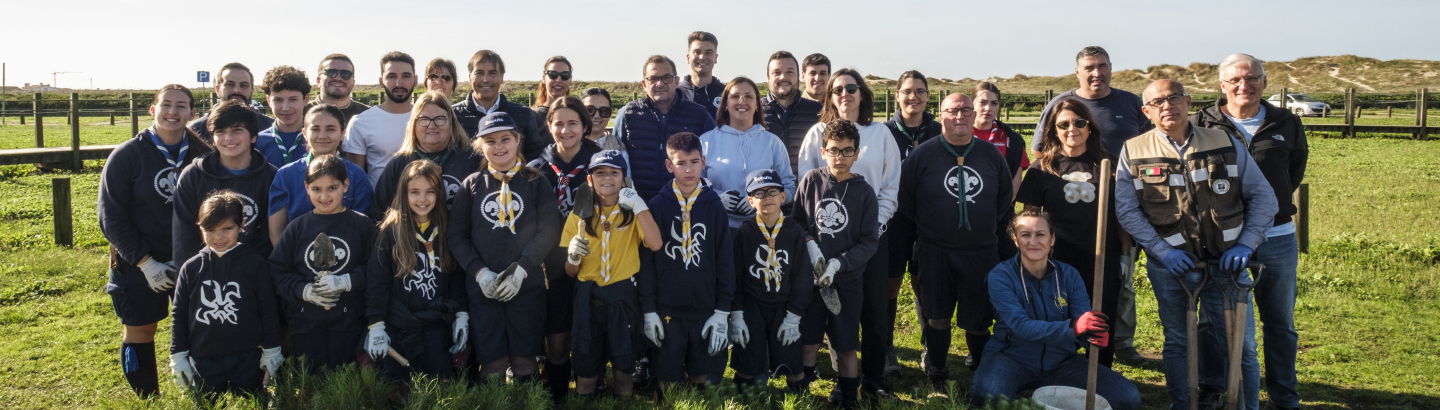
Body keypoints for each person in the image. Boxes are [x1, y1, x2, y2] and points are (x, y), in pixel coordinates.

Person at [1114, 79, 1277, 410]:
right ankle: (1181, 404)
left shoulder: (1224, 142)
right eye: (1157, 102)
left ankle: (1244, 406)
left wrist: (1246, 245)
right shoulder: (1133, 150)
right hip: (1171, 268)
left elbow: (1263, 196)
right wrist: (1162, 252)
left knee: (1241, 346)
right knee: (1177, 342)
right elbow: (1127, 210)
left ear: (1188, 103)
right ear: (1146, 112)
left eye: (1174, 98)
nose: (1167, 106)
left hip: (1226, 264)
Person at [1190, 53, 1308, 410]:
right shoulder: (1202, 123)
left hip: (1276, 238)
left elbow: (1294, 172)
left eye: (1253, 78)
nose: (1245, 86)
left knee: (1280, 321)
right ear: (1222, 85)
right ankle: (1213, 387)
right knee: (1214, 319)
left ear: (1265, 82)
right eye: (1235, 80)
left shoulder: (1286, 122)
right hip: (1222, 239)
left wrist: (1266, 209)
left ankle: (1283, 396)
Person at [1031, 46, 1152, 365]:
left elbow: (1151, 145)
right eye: (1089, 67)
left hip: (1107, 236)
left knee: (1109, 300)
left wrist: (1124, 251)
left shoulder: (1127, 110)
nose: (1096, 73)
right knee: (1060, 305)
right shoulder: (1046, 162)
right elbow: (1031, 204)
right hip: (1061, 243)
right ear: (1078, 72)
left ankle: (1108, 359)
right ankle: (1061, 363)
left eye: (1102, 66)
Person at [100, 84, 214, 398]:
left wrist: (194, 255)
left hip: (191, 260)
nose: (173, 112)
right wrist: (145, 262)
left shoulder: (203, 155)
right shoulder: (127, 155)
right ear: (153, 109)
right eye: (166, 104)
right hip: (138, 260)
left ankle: (203, 393)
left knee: (200, 327)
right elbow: (111, 216)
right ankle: (148, 399)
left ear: (192, 113)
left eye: (181, 106)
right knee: (141, 329)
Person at [897, 93, 1015, 394]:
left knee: (979, 320)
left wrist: (983, 224)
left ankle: (982, 371)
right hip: (935, 251)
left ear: (974, 114)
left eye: (966, 110)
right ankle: (937, 372)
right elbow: (906, 200)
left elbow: (1004, 197)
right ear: (941, 116)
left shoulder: (991, 155)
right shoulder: (922, 155)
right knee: (937, 317)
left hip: (980, 252)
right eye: (952, 111)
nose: (960, 116)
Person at [796, 68, 902, 399]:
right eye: (838, 89)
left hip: (871, 236)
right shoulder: (817, 133)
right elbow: (809, 187)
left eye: (851, 87)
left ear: (862, 93)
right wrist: (814, 243)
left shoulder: (880, 133)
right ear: (829, 96)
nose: (845, 93)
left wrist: (871, 226)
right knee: (830, 309)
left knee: (874, 310)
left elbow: (889, 186)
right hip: (826, 240)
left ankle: (872, 379)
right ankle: (837, 379)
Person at [968, 209, 1141, 410]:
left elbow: (1083, 320)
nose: (1033, 242)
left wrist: (1092, 336)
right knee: (987, 396)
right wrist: (1074, 328)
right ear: (1016, 240)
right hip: (1010, 358)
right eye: (1025, 235)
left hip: (1061, 362)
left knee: (1128, 398)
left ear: (1052, 239)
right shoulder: (1001, 276)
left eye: (1040, 234)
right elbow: (1021, 326)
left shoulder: (1070, 275)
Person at [448, 112, 560, 383]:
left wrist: (521, 270)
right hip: (483, 290)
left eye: (505, 139)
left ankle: (529, 401)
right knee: (492, 364)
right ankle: (493, 400)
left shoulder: (536, 181)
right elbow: (456, 236)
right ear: (480, 146)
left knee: (524, 361)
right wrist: (479, 273)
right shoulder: (471, 184)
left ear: (518, 140)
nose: (498, 147)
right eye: (490, 141)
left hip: (526, 286)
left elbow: (548, 231)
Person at [1015, 98, 1123, 366]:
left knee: (1101, 315)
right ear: (1054, 130)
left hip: (1101, 254)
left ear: (1090, 127)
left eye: (1079, 122)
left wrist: (1126, 255)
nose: (1071, 129)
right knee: (1059, 314)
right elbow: (1031, 218)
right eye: (1063, 124)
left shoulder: (1110, 166)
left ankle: (1099, 372)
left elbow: (1123, 214)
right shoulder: (1042, 169)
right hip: (1058, 256)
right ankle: (1060, 368)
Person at [561, 150, 663, 400]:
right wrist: (572, 257)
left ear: (623, 179)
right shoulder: (579, 214)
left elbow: (655, 244)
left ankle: (622, 403)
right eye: (600, 173)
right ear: (589, 180)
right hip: (588, 298)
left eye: (614, 173)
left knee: (623, 372)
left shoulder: (633, 212)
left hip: (622, 298)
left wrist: (639, 205)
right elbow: (570, 272)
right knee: (585, 373)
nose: (607, 177)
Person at [791, 119, 880, 409]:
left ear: (857, 153)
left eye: (847, 151)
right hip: (811, 280)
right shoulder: (811, 182)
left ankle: (849, 399)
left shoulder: (864, 192)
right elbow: (797, 222)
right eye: (833, 150)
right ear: (823, 151)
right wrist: (810, 246)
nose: (840, 157)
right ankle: (801, 396)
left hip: (847, 282)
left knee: (845, 345)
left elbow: (869, 241)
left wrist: (839, 264)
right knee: (808, 342)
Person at [637, 131, 735, 388]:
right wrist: (648, 309)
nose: (689, 169)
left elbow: (725, 260)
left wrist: (722, 309)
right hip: (667, 307)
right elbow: (647, 261)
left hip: (705, 306)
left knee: (701, 376)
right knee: (666, 376)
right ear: (669, 165)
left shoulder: (714, 206)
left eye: (694, 162)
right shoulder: (657, 206)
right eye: (681, 163)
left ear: (703, 162)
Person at [268, 154, 377, 373]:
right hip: (305, 322)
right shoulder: (297, 228)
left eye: (332, 188)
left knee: (346, 378)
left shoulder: (362, 226)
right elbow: (278, 271)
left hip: (350, 321)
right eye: (316, 189)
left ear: (345, 186)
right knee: (308, 378)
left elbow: (376, 270)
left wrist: (347, 281)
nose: (324, 196)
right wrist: (304, 290)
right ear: (306, 188)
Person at [168, 191, 283, 397]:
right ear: (200, 227)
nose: (218, 237)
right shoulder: (190, 268)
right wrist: (177, 354)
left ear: (242, 225)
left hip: (248, 356)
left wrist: (271, 349)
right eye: (210, 230)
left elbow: (268, 309)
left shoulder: (255, 264)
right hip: (203, 358)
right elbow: (179, 313)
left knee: (253, 402)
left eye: (227, 228)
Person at [528, 96, 604, 401]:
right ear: (549, 126)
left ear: (585, 126)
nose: (565, 130)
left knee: (592, 337)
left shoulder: (601, 163)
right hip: (552, 267)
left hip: (594, 262)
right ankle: (558, 396)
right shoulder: (536, 169)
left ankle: (594, 392)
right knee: (557, 341)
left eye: (573, 123)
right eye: (558, 123)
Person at [364, 160, 469, 380]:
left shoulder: (447, 229)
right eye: (415, 192)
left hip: (436, 324)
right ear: (404, 193)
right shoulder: (390, 232)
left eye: (430, 191)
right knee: (397, 387)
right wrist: (376, 325)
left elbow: (456, 277)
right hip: (398, 324)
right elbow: (377, 281)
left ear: (439, 193)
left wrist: (461, 314)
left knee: (440, 384)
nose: (422, 199)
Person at [728, 169, 812, 392]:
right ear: (750, 201)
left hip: (785, 305)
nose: (767, 198)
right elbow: (735, 277)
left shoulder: (794, 232)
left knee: (792, 359)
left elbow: (803, 277)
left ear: (783, 196)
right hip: (752, 304)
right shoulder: (745, 232)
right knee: (748, 357)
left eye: (772, 192)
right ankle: (745, 398)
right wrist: (737, 315)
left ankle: (799, 398)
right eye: (759, 193)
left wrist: (794, 316)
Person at [881, 70, 942, 377]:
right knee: (890, 285)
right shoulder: (885, 132)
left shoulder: (939, 131)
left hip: (930, 220)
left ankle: (929, 347)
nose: (913, 97)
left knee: (924, 286)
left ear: (927, 96)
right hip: (895, 219)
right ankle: (886, 347)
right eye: (907, 91)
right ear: (897, 96)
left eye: (919, 91)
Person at [173, 100, 278, 268]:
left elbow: (270, 237)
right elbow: (184, 237)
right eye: (220, 131)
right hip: (205, 273)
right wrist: (193, 275)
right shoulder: (193, 176)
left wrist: (255, 273)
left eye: (237, 130)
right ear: (213, 139)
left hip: (255, 273)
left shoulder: (272, 177)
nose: (229, 138)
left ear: (253, 136)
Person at [613, 55, 717, 200]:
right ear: (644, 84)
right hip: (637, 205)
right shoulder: (627, 114)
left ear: (676, 81)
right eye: (653, 79)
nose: (660, 83)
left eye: (666, 77)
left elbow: (712, 162)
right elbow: (615, 161)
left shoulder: (700, 115)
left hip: (686, 205)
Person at [267, 105, 374, 245]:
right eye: (315, 129)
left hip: (346, 253)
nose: (322, 136)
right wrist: (287, 257)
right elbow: (277, 232)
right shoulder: (285, 175)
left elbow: (363, 228)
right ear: (304, 133)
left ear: (343, 133)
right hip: (296, 255)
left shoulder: (356, 174)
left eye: (330, 129)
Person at [700, 77, 797, 229]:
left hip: (762, 230)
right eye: (735, 96)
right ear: (725, 104)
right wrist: (716, 199)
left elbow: (789, 189)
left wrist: (762, 198)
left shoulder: (772, 143)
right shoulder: (705, 141)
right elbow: (692, 185)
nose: (742, 101)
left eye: (748, 96)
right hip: (717, 229)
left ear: (757, 105)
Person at [367, 91, 478, 219]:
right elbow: (379, 215)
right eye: (424, 119)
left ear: (452, 122)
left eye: (440, 118)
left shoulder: (471, 158)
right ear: (413, 124)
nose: (432, 125)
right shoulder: (399, 165)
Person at [452, 50, 547, 161]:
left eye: (492, 73)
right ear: (469, 77)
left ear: (502, 78)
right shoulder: (453, 115)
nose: (486, 79)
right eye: (479, 73)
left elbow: (535, 156)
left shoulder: (524, 114)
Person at [343, 51, 418, 187]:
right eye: (391, 76)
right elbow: (356, 179)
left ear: (416, 80)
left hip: (423, 198)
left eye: (406, 76)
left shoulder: (427, 119)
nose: (399, 83)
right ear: (381, 81)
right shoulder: (361, 122)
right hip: (378, 199)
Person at [761, 51, 823, 176]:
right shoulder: (754, 110)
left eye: (789, 72)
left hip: (807, 186)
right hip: (766, 186)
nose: (783, 77)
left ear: (798, 76)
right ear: (768, 78)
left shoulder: (818, 111)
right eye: (776, 72)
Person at [188, 63, 275, 144]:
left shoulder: (271, 128)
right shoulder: (197, 130)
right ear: (217, 90)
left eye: (244, 85)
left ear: (252, 90)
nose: (237, 90)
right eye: (230, 84)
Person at [971, 81, 1029, 196]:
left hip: (1000, 205)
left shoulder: (1013, 139)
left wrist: (1000, 206)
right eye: (982, 102)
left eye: (994, 103)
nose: (988, 108)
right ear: (972, 104)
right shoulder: (958, 134)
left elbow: (1015, 184)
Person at [255, 66, 312, 168]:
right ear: (268, 101)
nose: (285, 108)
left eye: (293, 99)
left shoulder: (318, 139)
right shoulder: (257, 142)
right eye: (278, 100)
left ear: (306, 99)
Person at [307, 54, 371, 125]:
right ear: (318, 81)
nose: (338, 78)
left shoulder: (369, 115)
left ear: (353, 83)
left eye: (346, 74)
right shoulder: (301, 113)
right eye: (331, 73)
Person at [679, 31, 726, 118]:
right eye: (697, 52)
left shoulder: (727, 94)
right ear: (688, 58)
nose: (702, 57)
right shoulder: (676, 94)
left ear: (715, 58)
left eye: (708, 53)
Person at [581, 87, 624, 151]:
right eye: (590, 110)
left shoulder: (618, 148)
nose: (596, 116)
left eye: (604, 111)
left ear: (610, 114)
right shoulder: (568, 143)